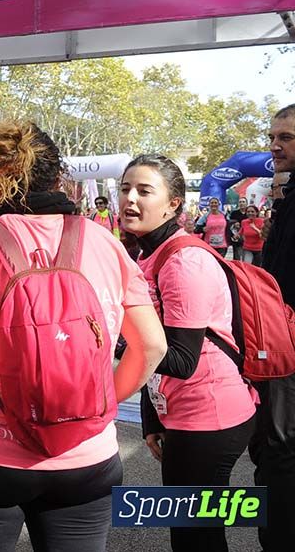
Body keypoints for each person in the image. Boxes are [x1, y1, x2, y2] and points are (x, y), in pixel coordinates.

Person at [0, 120, 167, 552]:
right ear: (59, 178)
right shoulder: (104, 242)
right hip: (86, 458)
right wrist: (102, 406)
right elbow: (152, 345)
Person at [121, 154, 257, 552]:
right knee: (191, 529)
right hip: (179, 412)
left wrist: (110, 337)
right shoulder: (150, 254)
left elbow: (181, 359)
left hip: (210, 416)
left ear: (174, 203)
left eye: (144, 191)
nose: (130, 198)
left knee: (196, 534)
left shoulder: (185, 261)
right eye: (125, 188)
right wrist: (152, 416)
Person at [254, 104, 295, 551]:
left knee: (280, 450)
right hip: (279, 341)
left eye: (285, 137)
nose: (274, 146)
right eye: (272, 136)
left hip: (289, 347)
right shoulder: (287, 196)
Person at [227, 197, 248, 262]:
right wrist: (234, 224)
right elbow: (230, 224)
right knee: (237, 257)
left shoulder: (250, 212)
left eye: (243, 202)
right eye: (240, 202)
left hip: (248, 238)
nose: (241, 203)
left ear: (246, 203)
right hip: (237, 238)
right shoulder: (234, 213)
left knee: (247, 258)